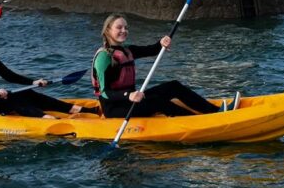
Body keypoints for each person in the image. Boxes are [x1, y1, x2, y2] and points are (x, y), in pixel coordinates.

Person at [92, 13, 238, 119]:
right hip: (115, 108)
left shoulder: (127, 50)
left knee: (173, 86)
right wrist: (128, 95)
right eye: (119, 27)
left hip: (133, 100)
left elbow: (152, 49)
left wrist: (161, 42)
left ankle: (215, 111)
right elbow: (105, 92)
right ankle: (196, 121)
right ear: (108, 30)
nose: (124, 31)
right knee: (158, 102)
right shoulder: (104, 57)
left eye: (126, 27)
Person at [0, 19, 90, 117]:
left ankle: (75, 109)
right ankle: (46, 119)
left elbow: (7, 75)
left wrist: (33, 82)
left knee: (28, 93)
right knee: (12, 98)